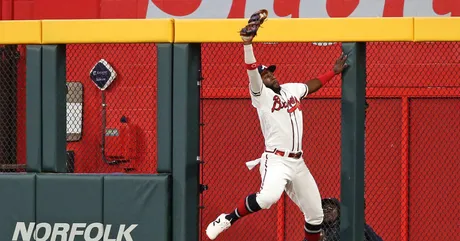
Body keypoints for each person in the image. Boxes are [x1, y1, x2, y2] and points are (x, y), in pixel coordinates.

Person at [205, 11, 348, 241]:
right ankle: (228, 218)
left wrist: (333, 71)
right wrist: (247, 45)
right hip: (277, 160)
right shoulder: (260, 97)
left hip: (297, 162)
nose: (269, 75)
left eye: (270, 72)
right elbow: (252, 71)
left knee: (315, 215)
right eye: (265, 74)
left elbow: (311, 86)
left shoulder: (291, 89)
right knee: (267, 199)